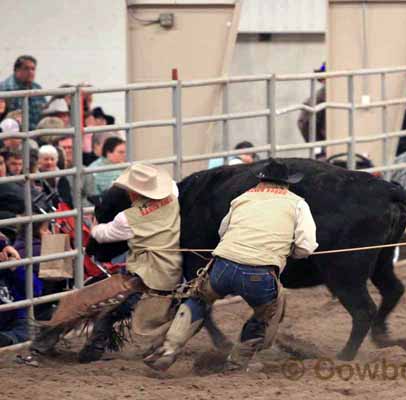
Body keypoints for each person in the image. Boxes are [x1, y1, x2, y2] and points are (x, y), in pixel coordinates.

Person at [144, 159, 318, 372]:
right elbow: (307, 247)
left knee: (199, 298)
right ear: (286, 183)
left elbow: (223, 232)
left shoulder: (242, 198)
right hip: (261, 274)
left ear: (261, 180)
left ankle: (169, 349)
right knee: (268, 311)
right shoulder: (297, 203)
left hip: (223, 267)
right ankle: (237, 362)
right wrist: (288, 250)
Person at [30, 163, 182, 362]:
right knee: (110, 308)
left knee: (81, 302)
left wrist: (93, 223)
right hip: (174, 271)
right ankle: (89, 350)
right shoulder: (172, 195)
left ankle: (46, 347)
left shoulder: (126, 219)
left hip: (146, 277)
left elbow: (100, 234)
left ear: (134, 192)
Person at [0, 55, 47, 129]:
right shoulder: (4, 89)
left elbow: (44, 112)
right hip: (12, 135)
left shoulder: (37, 88)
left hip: (36, 134)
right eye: (26, 68)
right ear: (16, 70)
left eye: (33, 69)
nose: (30, 72)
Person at [297, 62, 327, 158]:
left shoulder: (320, 97)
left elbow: (304, 123)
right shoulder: (320, 98)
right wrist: (320, 147)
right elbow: (305, 123)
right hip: (325, 148)